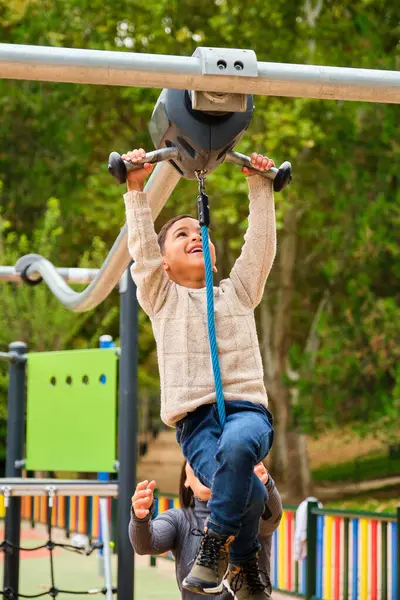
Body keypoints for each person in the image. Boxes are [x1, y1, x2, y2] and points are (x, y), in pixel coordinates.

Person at [123, 148, 277, 599]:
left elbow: (261, 246)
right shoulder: (161, 298)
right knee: (245, 487)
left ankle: (215, 548)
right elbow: (141, 254)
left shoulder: (239, 290)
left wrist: (260, 186)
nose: (196, 235)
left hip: (247, 412)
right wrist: (135, 189)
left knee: (238, 446)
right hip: (196, 425)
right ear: (164, 262)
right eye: (181, 234)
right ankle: (245, 561)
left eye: (201, 232)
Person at [129, 461, 282, 600]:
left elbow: (272, 518)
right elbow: (145, 545)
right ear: (186, 480)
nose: (205, 467)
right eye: (195, 460)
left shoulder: (251, 512)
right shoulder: (179, 519)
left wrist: (267, 485)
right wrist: (140, 519)